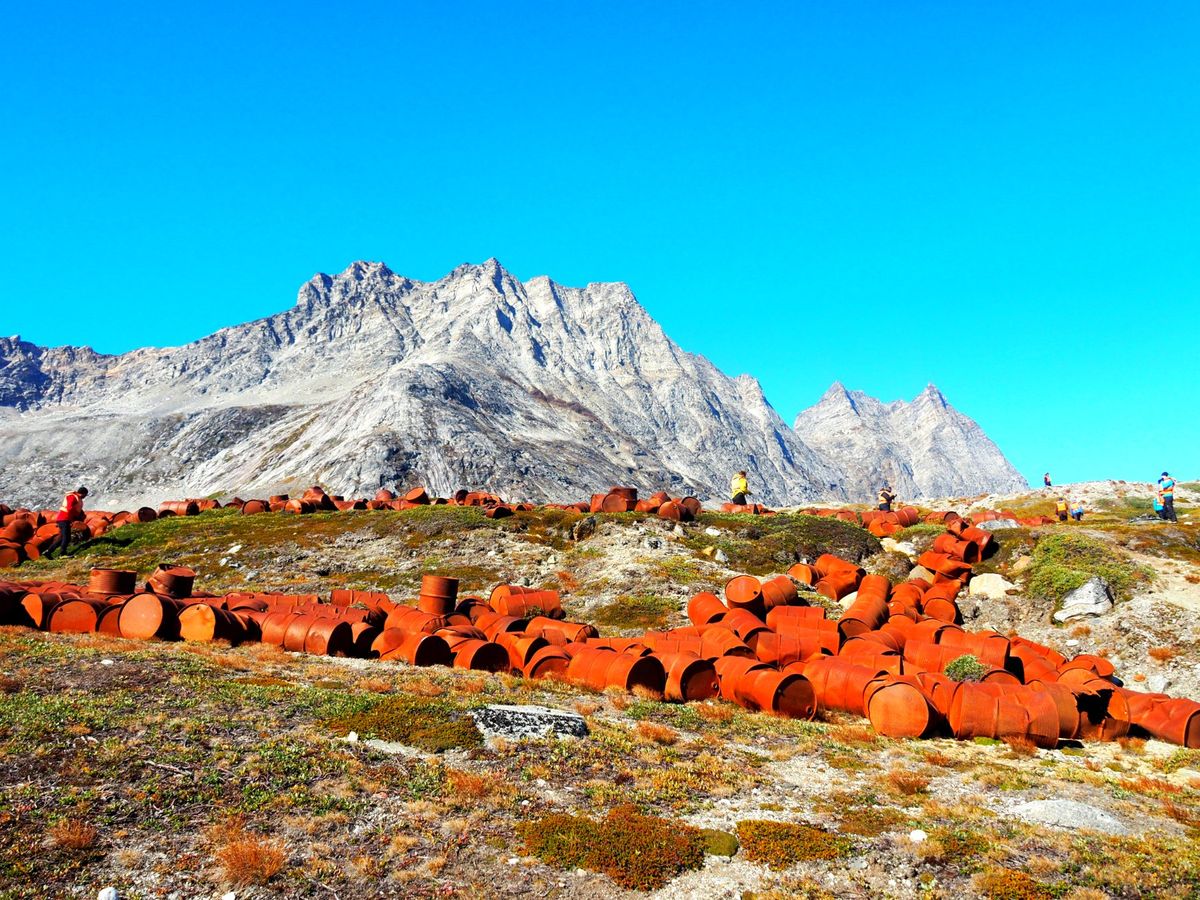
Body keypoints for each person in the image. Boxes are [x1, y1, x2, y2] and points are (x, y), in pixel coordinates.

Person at [44, 486, 88, 558]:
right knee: (67, 538)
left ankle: (48, 552)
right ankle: (62, 554)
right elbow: (69, 507)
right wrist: (76, 515)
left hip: (64, 519)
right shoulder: (72, 497)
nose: (85, 497)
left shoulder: (76, 498)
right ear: (83, 493)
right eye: (85, 495)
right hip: (64, 519)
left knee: (62, 538)